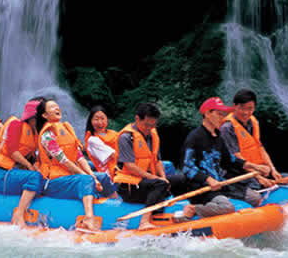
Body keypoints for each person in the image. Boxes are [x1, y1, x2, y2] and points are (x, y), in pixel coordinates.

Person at [174, 97, 271, 222]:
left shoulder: (218, 137)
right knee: (227, 208)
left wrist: (256, 167)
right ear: (207, 114)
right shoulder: (194, 137)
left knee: (255, 197)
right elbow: (187, 167)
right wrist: (208, 180)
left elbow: (230, 160)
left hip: (221, 183)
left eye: (223, 114)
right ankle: (193, 209)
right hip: (202, 187)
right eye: (219, 114)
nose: (222, 118)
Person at [37, 99, 116, 231]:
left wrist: (93, 176)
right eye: (52, 107)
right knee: (86, 179)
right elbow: (64, 160)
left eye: (57, 106)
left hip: (69, 177)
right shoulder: (47, 135)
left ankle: (119, 206)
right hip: (53, 182)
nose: (57, 108)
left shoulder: (66, 129)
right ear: (44, 115)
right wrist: (89, 177)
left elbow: (79, 158)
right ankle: (89, 218)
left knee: (102, 177)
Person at [114, 102, 181, 231]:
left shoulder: (153, 134)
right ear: (137, 119)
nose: (149, 128)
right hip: (129, 187)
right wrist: (156, 179)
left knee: (180, 179)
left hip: (147, 183)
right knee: (159, 184)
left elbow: (157, 160)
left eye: (153, 125)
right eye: (146, 125)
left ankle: (185, 211)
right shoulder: (126, 137)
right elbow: (130, 166)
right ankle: (144, 221)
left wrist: (163, 177)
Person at [0, 97, 45, 227]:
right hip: (0, 174)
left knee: (40, 176)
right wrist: (29, 166)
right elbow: (12, 151)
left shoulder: (35, 134)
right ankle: (19, 214)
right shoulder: (15, 125)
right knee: (34, 177)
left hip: (14, 174)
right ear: (31, 117)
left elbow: (33, 158)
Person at [219, 89, 282, 189]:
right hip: (239, 172)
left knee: (283, 179)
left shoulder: (253, 121)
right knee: (258, 187)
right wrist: (258, 177)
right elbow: (236, 158)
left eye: (250, 109)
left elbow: (260, 147)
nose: (245, 112)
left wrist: (273, 169)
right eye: (241, 108)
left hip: (258, 169)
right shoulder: (227, 128)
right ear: (234, 106)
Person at [84, 105, 118, 179]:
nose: (100, 122)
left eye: (102, 118)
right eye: (96, 119)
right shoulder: (92, 140)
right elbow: (114, 155)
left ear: (107, 120)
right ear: (91, 121)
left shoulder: (113, 133)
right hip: (111, 173)